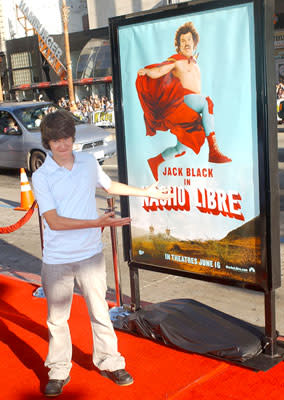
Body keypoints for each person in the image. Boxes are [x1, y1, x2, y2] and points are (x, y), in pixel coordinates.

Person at [32, 110, 170, 397]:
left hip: (91, 255)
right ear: (47, 141)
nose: (63, 145)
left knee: (100, 312)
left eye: (67, 138)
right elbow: (53, 221)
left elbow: (109, 186)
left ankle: (111, 362)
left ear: (73, 137)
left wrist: (146, 192)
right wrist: (97, 222)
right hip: (58, 258)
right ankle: (58, 369)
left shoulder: (86, 161)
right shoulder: (42, 176)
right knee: (57, 319)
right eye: (56, 140)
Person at [137, 21, 231, 181]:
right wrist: (147, 72)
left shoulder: (193, 61)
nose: (187, 43)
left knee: (181, 148)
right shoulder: (176, 61)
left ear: (194, 42)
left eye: (189, 40)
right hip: (182, 103)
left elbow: (191, 63)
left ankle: (155, 161)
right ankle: (213, 151)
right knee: (206, 103)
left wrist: (193, 58)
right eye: (183, 41)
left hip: (190, 111)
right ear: (178, 46)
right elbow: (160, 71)